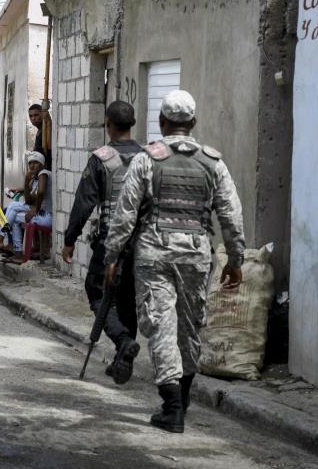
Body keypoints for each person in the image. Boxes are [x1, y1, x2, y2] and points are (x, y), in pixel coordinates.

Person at [103, 90, 245, 433]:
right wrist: (236, 258)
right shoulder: (213, 162)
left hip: (155, 253)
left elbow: (125, 213)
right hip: (196, 254)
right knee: (189, 326)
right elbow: (231, 213)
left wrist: (112, 254)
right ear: (193, 123)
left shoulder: (147, 159)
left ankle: (172, 406)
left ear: (162, 122)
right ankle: (180, 400)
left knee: (161, 326)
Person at [62, 101, 143, 385]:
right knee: (127, 298)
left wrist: (69, 240)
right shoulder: (148, 157)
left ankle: (122, 342)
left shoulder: (102, 158)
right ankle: (124, 358)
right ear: (132, 122)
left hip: (110, 238)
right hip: (142, 240)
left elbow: (84, 203)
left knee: (97, 292)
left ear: (107, 122)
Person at [0, 151, 51, 264]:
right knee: (14, 213)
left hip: (46, 215)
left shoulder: (44, 173)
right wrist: (26, 182)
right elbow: (28, 200)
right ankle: (16, 252)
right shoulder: (35, 179)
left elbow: (41, 192)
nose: (32, 166)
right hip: (39, 212)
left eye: (36, 163)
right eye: (30, 163)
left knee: (13, 207)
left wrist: (36, 209)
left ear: (42, 165)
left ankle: (1, 239)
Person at [28, 104, 52, 170]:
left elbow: (49, 149)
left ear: (42, 114)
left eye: (36, 115)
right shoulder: (40, 130)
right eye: (31, 116)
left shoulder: (47, 130)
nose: (33, 118)